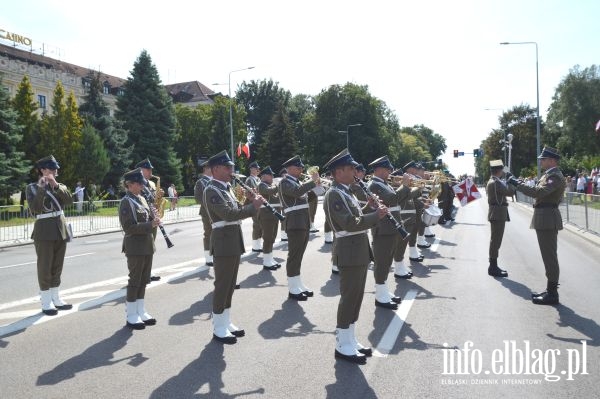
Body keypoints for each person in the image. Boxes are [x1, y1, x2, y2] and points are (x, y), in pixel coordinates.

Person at [323, 149, 387, 365]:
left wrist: (369, 206)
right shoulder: (334, 194)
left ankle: (350, 338)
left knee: (357, 298)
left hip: (358, 250)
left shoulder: (347, 192)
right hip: (349, 250)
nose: (355, 172)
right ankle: (342, 344)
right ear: (339, 171)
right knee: (349, 297)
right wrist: (375, 215)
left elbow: (356, 214)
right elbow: (349, 223)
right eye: (351, 168)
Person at [203, 150, 264, 343]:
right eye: (228, 167)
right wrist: (252, 206)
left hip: (233, 240)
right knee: (222, 285)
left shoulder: (226, 188)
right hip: (222, 241)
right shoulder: (211, 190)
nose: (232, 170)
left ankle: (226, 321)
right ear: (215, 169)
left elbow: (237, 210)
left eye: (231, 167)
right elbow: (228, 215)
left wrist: (249, 199)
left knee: (230, 284)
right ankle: (218, 326)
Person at [509, 146, 566, 305]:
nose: (541, 161)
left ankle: (552, 294)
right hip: (544, 217)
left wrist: (517, 184)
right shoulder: (549, 175)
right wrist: (518, 182)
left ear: (552, 160)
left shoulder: (555, 176)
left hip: (548, 218)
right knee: (547, 256)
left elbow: (539, 192)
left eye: (544, 159)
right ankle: (550, 290)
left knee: (549, 257)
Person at [26, 155, 74, 316]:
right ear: (42, 170)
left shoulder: (60, 186)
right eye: (52, 168)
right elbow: (35, 209)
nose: (56, 171)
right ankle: (46, 301)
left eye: (56, 168)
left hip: (60, 229)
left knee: (57, 266)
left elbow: (69, 201)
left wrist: (55, 185)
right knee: (45, 267)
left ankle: (56, 298)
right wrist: (41, 188)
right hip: (44, 231)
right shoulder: (32, 188)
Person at [367, 155, 410, 310]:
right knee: (382, 262)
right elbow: (392, 199)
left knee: (387, 261)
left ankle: (384, 291)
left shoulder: (384, 184)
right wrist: (404, 186)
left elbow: (396, 200)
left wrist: (405, 188)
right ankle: (380, 295)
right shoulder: (374, 185)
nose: (390, 172)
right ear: (378, 170)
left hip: (391, 228)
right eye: (387, 169)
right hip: (383, 229)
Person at [119, 168, 159, 330]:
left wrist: (154, 216)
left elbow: (147, 220)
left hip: (147, 245)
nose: (142, 187)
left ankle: (141, 310)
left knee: (144, 280)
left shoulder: (141, 199)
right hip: (135, 246)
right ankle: (131, 314)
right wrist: (150, 224)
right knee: (135, 280)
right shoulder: (126, 202)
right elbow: (129, 228)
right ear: (130, 184)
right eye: (139, 184)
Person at [278, 155, 320, 301]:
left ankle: (298, 283)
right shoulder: (285, 182)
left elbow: (310, 198)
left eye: (301, 167)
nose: (301, 169)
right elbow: (297, 193)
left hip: (303, 222)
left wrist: (317, 187)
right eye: (298, 167)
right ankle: (292, 287)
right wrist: (312, 181)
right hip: (295, 223)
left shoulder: (298, 182)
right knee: (294, 256)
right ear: (289, 169)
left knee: (299, 255)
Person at [486, 160, 516, 277]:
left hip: (497, 213)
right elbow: (510, 192)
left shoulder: (494, 181)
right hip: (497, 213)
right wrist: (511, 180)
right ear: (499, 171)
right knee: (496, 241)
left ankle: (493, 265)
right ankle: (493, 267)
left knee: (496, 240)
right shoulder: (495, 183)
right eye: (502, 170)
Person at [136, 158, 162, 282]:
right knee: (143, 247)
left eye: (151, 169)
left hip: (154, 218)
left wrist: (159, 195)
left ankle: (148, 272)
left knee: (151, 246)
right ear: (140, 170)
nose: (151, 171)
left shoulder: (151, 184)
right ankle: (141, 273)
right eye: (148, 169)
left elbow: (153, 199)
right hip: (144, 218)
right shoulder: (136, 183)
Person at [257, 166, 283, 271]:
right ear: (264, 176)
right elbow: (270, 192)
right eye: (270, 175)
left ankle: (270, 258)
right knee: (267, 238)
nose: (273, 176)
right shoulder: (261, 185)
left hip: (274, 215)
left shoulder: (271, 185)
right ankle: (266, 261)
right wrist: (280, 184)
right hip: (266, 215)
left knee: (272, 238)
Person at [194, 159, 214, 266]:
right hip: (206, 212)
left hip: (217, 212)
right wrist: (211, 203)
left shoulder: (215, 181)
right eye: (211, 167)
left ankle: (215, 254)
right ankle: (208, 258)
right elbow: (198, 198)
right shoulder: (200, 182)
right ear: (206, 169)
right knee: (208, 234)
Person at [245, 161, 263, 252]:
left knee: (260, 224)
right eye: (256, 168)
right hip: (254, 204)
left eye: (258, 168)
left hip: (260, 204)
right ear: (251, 169)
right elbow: (250, 193)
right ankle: (255, 246)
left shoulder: (258, 179)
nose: (258, 170)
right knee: (257, 224)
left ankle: (258, 244)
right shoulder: (249, 179)